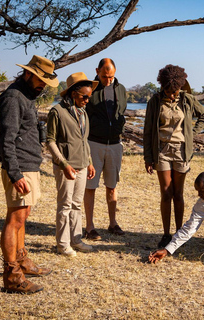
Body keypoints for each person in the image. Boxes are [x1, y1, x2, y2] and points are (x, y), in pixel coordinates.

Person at [0, 55, 59, 293]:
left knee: (22, 217)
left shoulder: (26, 96)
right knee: (15, 219)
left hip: (29, 165)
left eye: (47, 80)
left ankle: (21, 262)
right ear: (28, 74)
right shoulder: (13, 97)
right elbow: (7, 139)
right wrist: (15, 173)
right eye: (41, 79)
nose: (44, 84)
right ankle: (12, 276)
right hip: (20, 167)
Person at [143, 64, 204, 248]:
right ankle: (166, 234)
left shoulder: (187, 99)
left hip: (181, 151)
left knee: (178, 194)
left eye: (176, 90)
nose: (173, 94)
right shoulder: (154, 102)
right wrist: (147, 157)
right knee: (166, 193)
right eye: (170, 90)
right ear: (163, 86)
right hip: (161, 151)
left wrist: (191, 133)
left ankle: (179, 233)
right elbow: (148, 131)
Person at [47, 72, 98, 256]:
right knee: (65, 205)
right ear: (73, 93)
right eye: (85, 96)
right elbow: (50, 141)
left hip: (82, 166)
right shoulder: (57, 112)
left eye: (89, 97)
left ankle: (76, 240)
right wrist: (63, 164)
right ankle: (62, 244)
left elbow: (84, 140)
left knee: (76, 204)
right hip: (65, 167)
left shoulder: (83, 113)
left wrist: (89, 162)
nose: (87, 100)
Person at [83, 58, 127, 240]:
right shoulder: (90, 88)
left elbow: (121, 112)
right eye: (104, 76)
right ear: (97, 71)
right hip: (94, 143)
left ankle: (113, 223)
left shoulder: (122, 89)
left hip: (115, 144)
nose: (108, 80)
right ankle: (89, 227)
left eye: (111, 76)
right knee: (90, 186)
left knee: (112, 186)